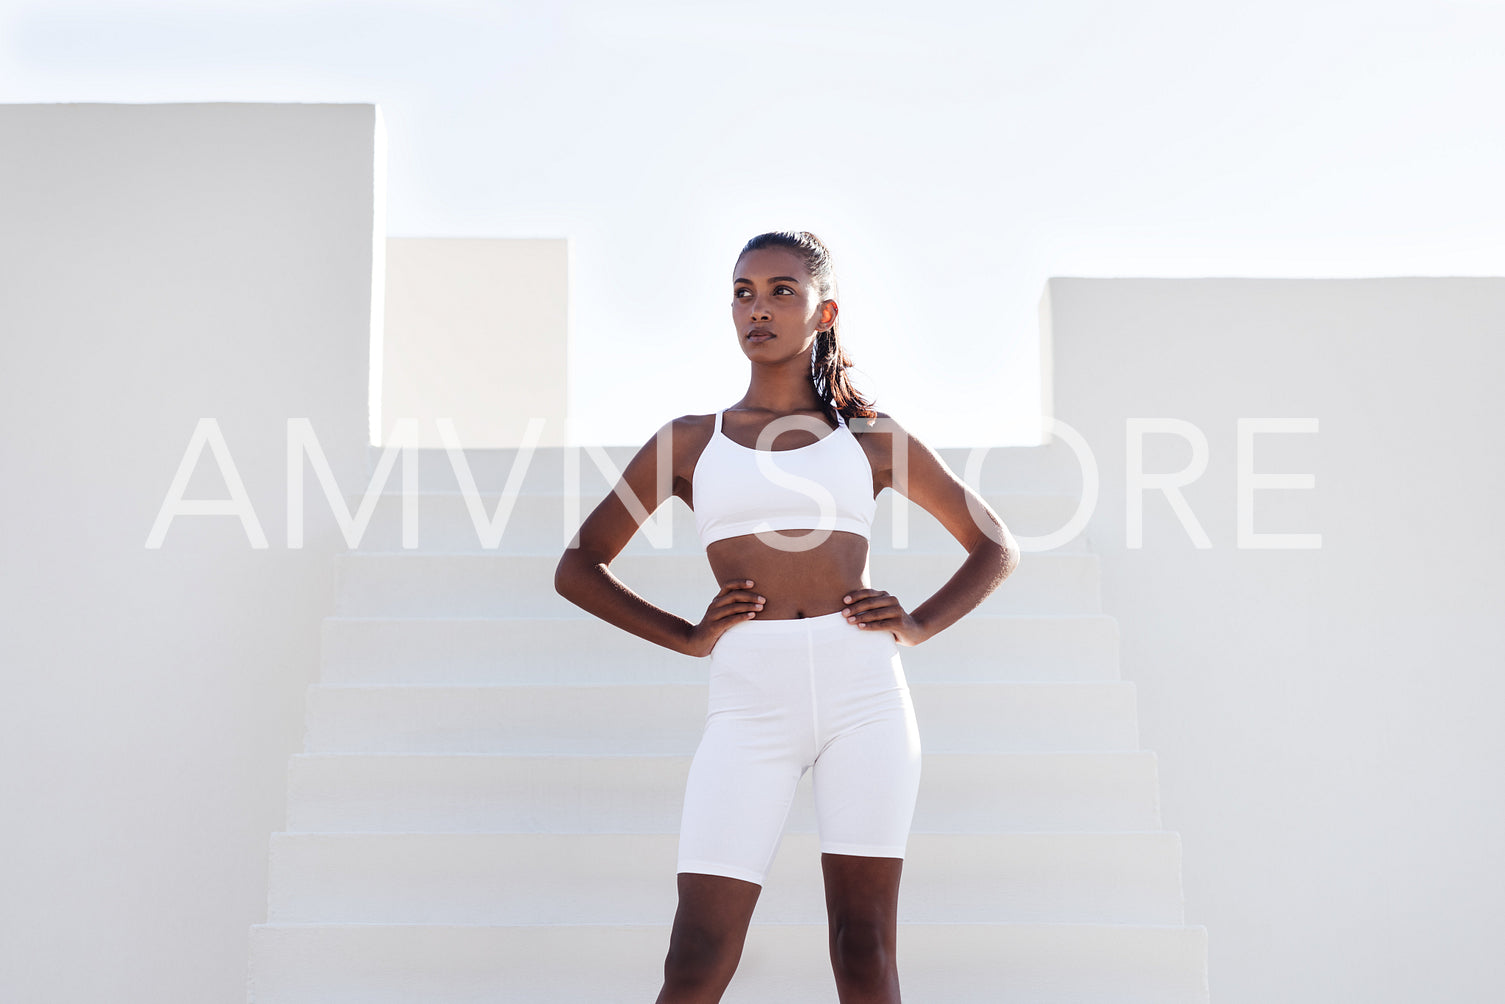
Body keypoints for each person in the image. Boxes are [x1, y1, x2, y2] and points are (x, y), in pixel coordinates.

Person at [553, 230, 1018, 1003]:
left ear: (822, 311)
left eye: (780, 291)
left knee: (863, 949)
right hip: (749, 703)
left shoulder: (869, 439)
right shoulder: (688, 442)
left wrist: (919, 623)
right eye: (742, 292)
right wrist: (686, 637)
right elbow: (579, 565)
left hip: (864, 696)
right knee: (696, 953)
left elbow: (992, 544)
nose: (756, 308)